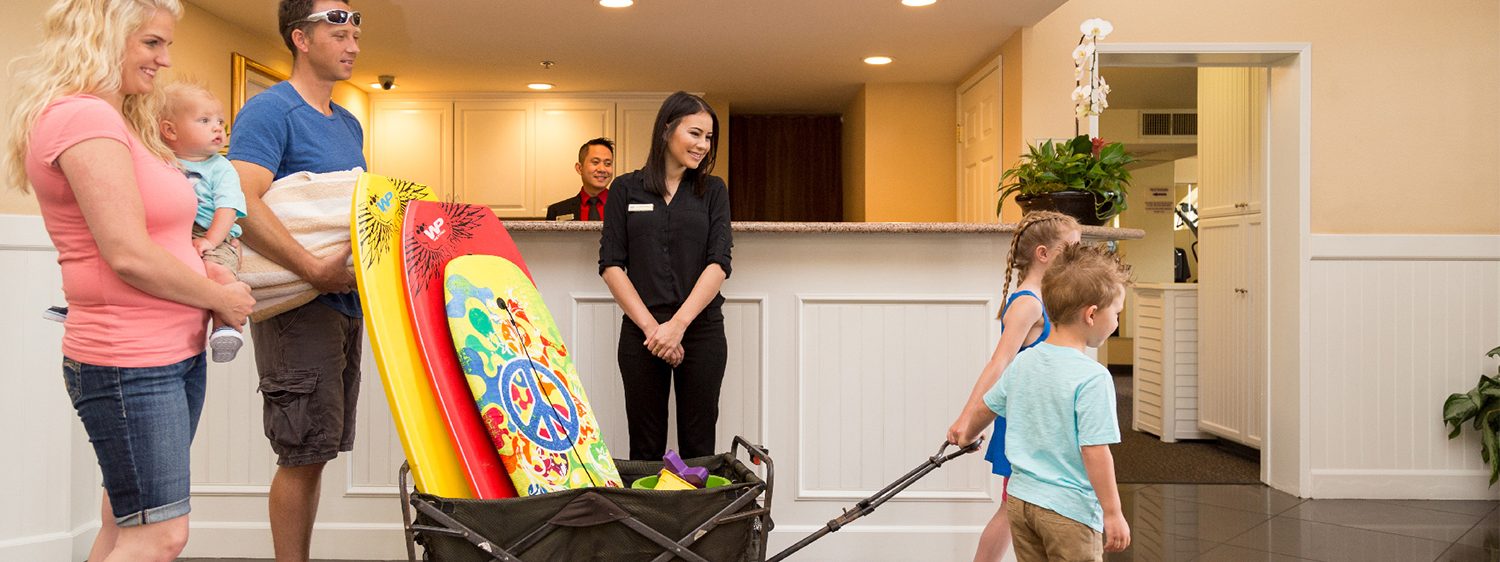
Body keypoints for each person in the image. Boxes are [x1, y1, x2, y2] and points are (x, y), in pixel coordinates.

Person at [2, 1, 254, 560]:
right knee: (160, 535)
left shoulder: (120, 122)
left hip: (169, 351)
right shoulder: (81, 117)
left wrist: (202, 264)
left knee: (126, 523)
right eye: (151, 44)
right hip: (130, 360)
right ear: (103, 37)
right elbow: (127, 255)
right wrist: (220, 295)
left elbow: (159, 239)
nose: (165, 61)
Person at [226, 1, 363, 560]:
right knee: (300, 451)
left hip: (343, 304)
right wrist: (312, 269)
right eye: (338, 26)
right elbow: (238, 201)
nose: (352, 39)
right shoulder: (269, 111)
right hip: (297, 305)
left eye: (357, 27)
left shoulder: (349, 121)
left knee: (318, 449)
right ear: (299, 38)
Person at [954, 243, 1133, 562]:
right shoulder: (1093, 377)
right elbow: (1094, 451)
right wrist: (1113, 512)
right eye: (1116, 313)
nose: (1117, 322)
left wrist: (968, 432)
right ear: (1091, 314)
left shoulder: (1024, 362)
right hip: (1069, 512)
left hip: (1021, 504)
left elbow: (987, 407)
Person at [599, 92, 731, 460]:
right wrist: (654, 331)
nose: (703, 145)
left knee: (698, 446)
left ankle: (697, 520)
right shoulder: (625, 189)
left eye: (708, 137)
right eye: (695, 133)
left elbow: (718, 264)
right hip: (643, 335)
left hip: (701, 331)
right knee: (644, 447)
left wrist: (677, 327)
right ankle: (649, 520)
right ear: (667, 129)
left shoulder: (713, 191)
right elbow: (611, 265)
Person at [946, 210, 1081, 562]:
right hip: (1024, 423)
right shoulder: (1027, 303)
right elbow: (999, 363)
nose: (1077, 255)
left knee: (1017, 507)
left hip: (1038, 421)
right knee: (1010, 509)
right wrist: (968, 419)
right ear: (1043, 253)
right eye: (1071, 247)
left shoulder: (1044, 298)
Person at [162, 80, 247, 361]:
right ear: (170, 130)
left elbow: (228, 207)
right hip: (179, 232)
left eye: (221, 122)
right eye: (204, 120)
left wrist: (211, 239)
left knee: (218, 272)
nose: (217, 128)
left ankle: (224, 329)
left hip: (215, 232)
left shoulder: (221, 168)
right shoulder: (163, 161)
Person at [546, 137, 615, 221]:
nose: (602, 169)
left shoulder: (625, 208)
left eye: (608, 164)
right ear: (579, 168)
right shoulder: (557, 211)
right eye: (595, 162)